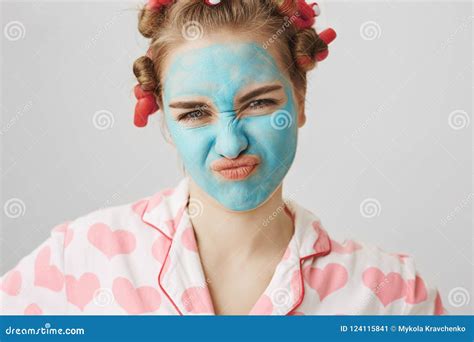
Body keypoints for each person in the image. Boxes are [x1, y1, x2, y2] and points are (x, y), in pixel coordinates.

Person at [0, 0, 446, 315]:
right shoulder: (76, 261)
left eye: (258, 103)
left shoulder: (393, 295)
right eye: (195, 112)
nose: (231, 145)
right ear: (166, 123)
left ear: (300, 103)